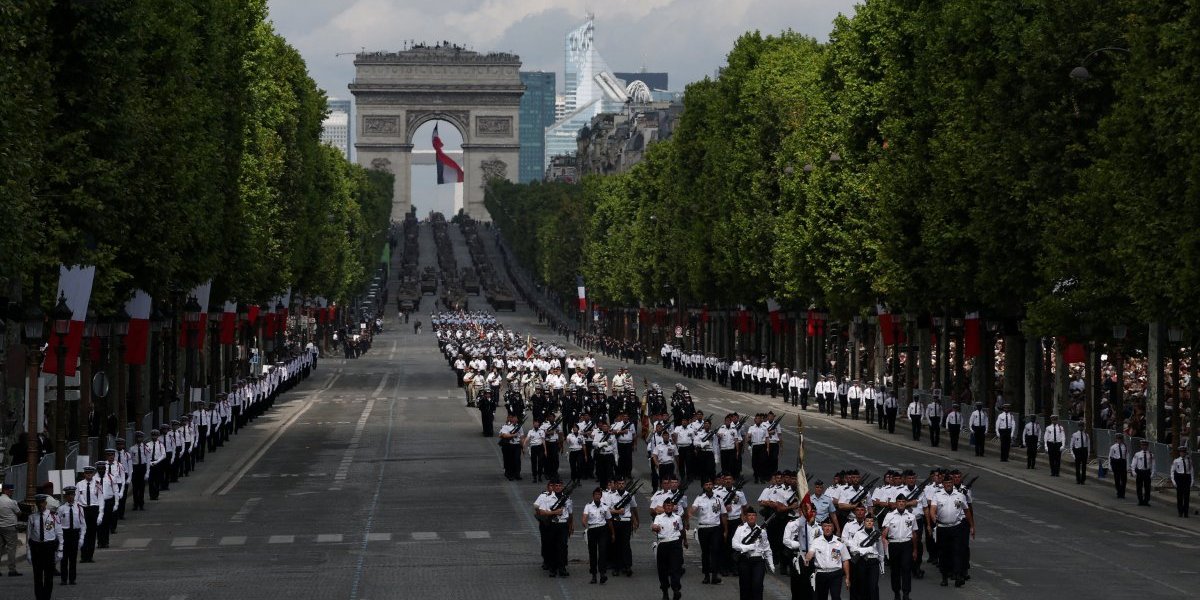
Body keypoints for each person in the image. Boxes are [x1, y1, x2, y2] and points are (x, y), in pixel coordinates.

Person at [928, 475, 972, 587]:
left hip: (956, 527)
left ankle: (957, 575)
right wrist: (934, 519)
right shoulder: (937, 495)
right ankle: (944, 576)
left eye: (950, 483)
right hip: (942, 528)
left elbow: (967, 511)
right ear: (943, 484)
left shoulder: (960, 495)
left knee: (957, 551)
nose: (948, 485)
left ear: (952, 483)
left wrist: (971, 526)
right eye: (946, 483)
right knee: (943, 553)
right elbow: (932, 510)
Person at [689, 478, 728, 585]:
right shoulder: (699, 498)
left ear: (713, 486)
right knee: (705, 553)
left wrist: (725, 530)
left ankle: (715, 576)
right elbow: (693, 509)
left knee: (715, 551)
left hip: (715, 528)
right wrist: (691, 512)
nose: (709, 486)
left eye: (710, 484)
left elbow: (723, 514)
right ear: (703, 487)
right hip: (703, 528)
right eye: (706, 484)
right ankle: (706, 575)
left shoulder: (718, 499)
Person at [732, 509, 774, 600]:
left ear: (756, 517)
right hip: (745, 560)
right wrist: (748, 547)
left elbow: (766, 547)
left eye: (753, 515)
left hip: (758, 561)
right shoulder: (740, 529)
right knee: (745, 587)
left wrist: (771, 563)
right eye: (749, 515)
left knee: (757, 585)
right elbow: (734, 544)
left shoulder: (761, 530)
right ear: (746, 517)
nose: (751, 517)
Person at [534, 478, 573, 577]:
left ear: (562, 487)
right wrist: (554, 512)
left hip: (563, 524)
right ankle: (553, 568)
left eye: (560, 486)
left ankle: (562, 567)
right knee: (552, 546)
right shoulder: (547, 498)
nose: (558, 487)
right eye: (556, 486)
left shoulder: (567, 499)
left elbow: (570, 513)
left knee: (563, 546)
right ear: (553, 487)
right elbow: (541, 512)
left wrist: (571, 525)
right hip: (552, 524)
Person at [804, 518, 849, 600]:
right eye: (825, 526)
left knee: (836, 597)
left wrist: (847, 577)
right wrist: (808, 558)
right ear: (822, 527)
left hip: (835, 573)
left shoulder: (839, 542)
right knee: (821, 597)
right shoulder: (816, 541)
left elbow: (845, 560)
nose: (827, 528)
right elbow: (811, 552)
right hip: (821, 574)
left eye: (830, 526)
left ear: (833, 528)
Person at [28, 494, 62, 600]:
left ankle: (47, 597)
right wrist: (28, 552)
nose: (41, 505)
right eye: (39, 503)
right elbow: (28, 536)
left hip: (49, 547)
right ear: (37, 504)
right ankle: (39, 597)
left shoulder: (53, 516)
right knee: (37, 576)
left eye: (42, 503)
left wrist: (60, 549)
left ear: (46, 504)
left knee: (48, 576)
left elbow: (59, 533)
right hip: (36, 548)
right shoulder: (32, 517)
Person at [652, 498, 686, 600]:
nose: (669, 507)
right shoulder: (658, 517)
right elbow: (654, 526)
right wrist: (654, 527)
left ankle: (676, 589)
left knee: (676, 568)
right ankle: (665, 592)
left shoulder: (677, 517)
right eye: (667, 505)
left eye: (670, 505)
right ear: (663, 507)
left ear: (673, 507)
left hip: (675, 544)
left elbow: (681, 530)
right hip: (663, 544)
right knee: (662, 570)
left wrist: (685, 541)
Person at [882, 503, 917, 600]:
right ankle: (896, 592)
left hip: (907, 544)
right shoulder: (890, 515)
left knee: (906, 569)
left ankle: (906, 594)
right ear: (896, 503)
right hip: (894, 544)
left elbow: (914, 533)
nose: (901, 503)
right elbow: (885, 531)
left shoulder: (911, 516)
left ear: (905, 503)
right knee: (895, 570)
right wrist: (884, 541)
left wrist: (915, 549)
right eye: (899, 501)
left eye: (903, 501)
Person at [846, 514, 884, 600]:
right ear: (864, 522)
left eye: (871, 521)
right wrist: (866, 550)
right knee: (862, 585)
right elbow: (852, 549)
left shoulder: (877, 534)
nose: (869, 523)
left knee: (873, 586)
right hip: (861, 561)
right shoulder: (858, 534)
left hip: (874, 561)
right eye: (867, 521)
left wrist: (882, 564)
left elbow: (881, 550)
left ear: (873, 523)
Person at [783, 503, 816, 600]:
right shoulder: (792, 524)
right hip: (797, 556)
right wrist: (799, 545)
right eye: (805, 511)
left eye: (812, 512)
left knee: (811, 585)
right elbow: (785, 540)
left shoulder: (818, 526)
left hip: (812, 558)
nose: (810, 513)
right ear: (800, 512)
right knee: (797, 584)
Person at [580, 487, 612, 584]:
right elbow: (584, 517)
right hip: (592, 530)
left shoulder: (605, 507)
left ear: (601, 496)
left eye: (599, 495)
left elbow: (609, 521)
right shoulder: (588, 506)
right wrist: (584, 524)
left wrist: (613, 533)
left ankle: (602, 574)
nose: (598, 496)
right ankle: (594, 575)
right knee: (592, 553)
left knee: (602, 552)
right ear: (593, 496)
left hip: (602, 529)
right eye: (596, 495)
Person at [56, 486, 86, 586]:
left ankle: (72, 579)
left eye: (72, 494)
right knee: (64, 559)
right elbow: (57, 523)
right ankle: (64, 579)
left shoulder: (79, 508)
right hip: (65, 534)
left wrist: (81, 537)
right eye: (68, 495)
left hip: (74, 534)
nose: (70, 497)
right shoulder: (61, 509)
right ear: (65, 497)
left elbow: (83, 524)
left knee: (73, 558)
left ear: (74, 495)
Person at [0, 483, 21, 576]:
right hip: (10, 527)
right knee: (11, 549)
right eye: (11, 491)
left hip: (0, 526)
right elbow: (19, 512)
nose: (12, 493)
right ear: (6, 491)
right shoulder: (11, 502)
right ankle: (12, 570)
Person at [499, 414, 524, 481]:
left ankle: (517, 474)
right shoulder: (506, 426)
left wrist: (523, 446)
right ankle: (510, 474)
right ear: (512, 419)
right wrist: (513, 435)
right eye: (514, 418)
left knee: (517, 460)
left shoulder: (519, 427)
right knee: (510, 460)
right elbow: (503, 435)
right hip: (510, 445)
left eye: (516, 418)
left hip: (517, 445)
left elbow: (521, 437)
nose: (516, 419)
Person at [1171, 446, 1192, 517]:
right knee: (1179, 496)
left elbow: (1191, 470)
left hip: (1187, 478)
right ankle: (1180, 512)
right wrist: (1173, 481)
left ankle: (1186, 512)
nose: (1183, 453)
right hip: (1179, 478)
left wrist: (1192, 480)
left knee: (1186, 497)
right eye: (1181, 452)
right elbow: (1172, 471)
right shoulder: (1176, 461)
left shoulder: (1189, 460)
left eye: (1184, 452)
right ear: (1179, 453)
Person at [1108, 433, 1129, 498]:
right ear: (1116, 439)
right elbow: (1110, 456)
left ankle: (1122, 493)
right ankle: (1119, 491)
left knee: (1124, 479)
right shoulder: (1113, 447)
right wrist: (1110, 465)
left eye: (1120, 439)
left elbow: (1127, 456)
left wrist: (1128, 466)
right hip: (1116, 463)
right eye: (1118, 439)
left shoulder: (1125, 446)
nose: (1119, 440)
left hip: (1122, 463)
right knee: (1117, 479)